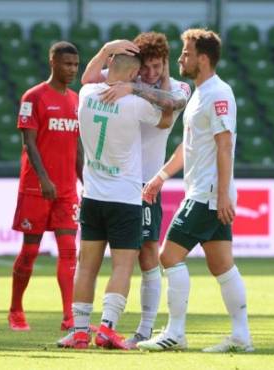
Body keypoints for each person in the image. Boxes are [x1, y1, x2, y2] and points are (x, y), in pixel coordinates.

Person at [137, 28, 254, 353]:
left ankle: (175, 332)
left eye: (186, 53)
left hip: (206, 193)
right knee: (222, 265)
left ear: (203, 59)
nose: (181, 58)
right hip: (208, 191)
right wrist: (162, 175)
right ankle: (241, 336)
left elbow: (225, 143)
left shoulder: (217, 94)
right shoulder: (199, 95)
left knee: (168, 255)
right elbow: (188, 147)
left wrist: (221, 195)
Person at [81, 32, 191, 347]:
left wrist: (134, 87)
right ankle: (107, 326)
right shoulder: (121, 80)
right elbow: (88, 81)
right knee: (112, 256)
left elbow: (176, 102)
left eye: (158, 67)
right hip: (118, 183)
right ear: (137, 65)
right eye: (147, 67)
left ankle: (145, 329)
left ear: (165, 64)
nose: (152, 73)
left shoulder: (176, 87)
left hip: (146, 182)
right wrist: (105, 51)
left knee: (147, 255)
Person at [57, 53, 174, 350]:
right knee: (122, 266)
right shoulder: (135, 104)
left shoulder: (84, 94)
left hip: (93, 195)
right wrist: (136, 89)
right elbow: (167, 116)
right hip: (125, 198)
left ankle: (80, 331)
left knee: (86, 266)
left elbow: (88, 75)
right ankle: (107, 327)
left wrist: (107, 48)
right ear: (134, 73)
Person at [8, 41, 82, 331]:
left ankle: (69, 316)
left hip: (66, 191)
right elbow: (29, 142)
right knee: (30, 252)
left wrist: (85, 181)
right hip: (36, 188)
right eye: (67, 64)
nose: (72, 70)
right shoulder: (34, 97)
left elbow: (77, 147)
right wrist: (43, 178)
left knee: (68, 250)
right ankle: (15, 309)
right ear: (53, 63)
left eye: (76, 65)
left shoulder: (77, 100)